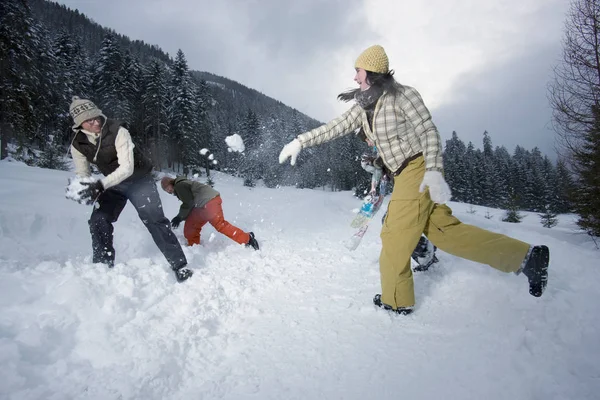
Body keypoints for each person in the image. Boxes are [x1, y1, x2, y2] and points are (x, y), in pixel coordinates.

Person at [279, 45, 549, 315]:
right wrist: (301, 142)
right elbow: (336, 126)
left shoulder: (403, 96)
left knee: (394, 234)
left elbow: (429, 132)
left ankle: (396, 300)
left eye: (358, 71)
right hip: (404, 174)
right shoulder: (363, 106)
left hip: (418, 171)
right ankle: (526, 258)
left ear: (371, 72)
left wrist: (433, 171)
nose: (354, 78)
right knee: (446, 232)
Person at [68, 96, 193, 282]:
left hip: (139, 180)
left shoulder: (118, 131)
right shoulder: (78, 144)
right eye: (88, 120)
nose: (95, 122)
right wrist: (83, 187)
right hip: (114, 184)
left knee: (155, 221)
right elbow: (83, 173)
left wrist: (100, 185)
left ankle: (180, 265)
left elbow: (127, 168)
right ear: (79, 125)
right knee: (98, 219)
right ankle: (102, 267)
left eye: (96, 116)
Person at [160, 176, 260, 250]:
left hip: (209, 202)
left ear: (171, 182)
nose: (168, 191)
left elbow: (188, 202)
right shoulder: (180, 185)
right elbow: (190, 203)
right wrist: (182, 217)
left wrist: (179, 217)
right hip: (202, 205)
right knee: (191, 225)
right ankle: (194, 248)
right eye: (165, 190)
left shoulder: (179, 185)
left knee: (220, 225)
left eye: (167, 187)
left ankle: (247, 238)